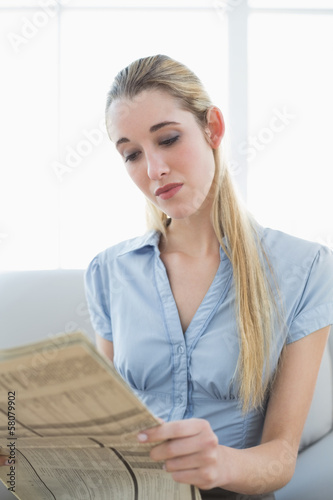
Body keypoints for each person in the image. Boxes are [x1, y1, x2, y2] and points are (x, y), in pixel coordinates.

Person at [5, 54, 330, 500]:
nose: (153, 169)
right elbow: (109, 431)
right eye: (132, 154)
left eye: (169, 139)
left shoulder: (305, 267)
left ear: (212, 128)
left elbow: (280, 457)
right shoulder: (110, 272)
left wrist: (219, 463)